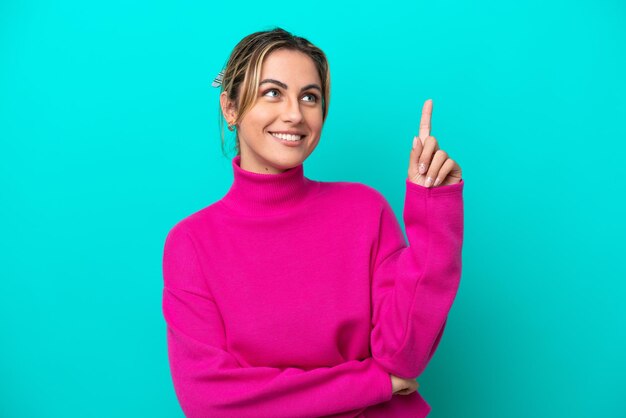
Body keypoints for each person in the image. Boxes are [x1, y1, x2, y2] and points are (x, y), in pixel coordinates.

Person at [161, 27, 464, 418]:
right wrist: (374, 384)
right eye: (273, 92)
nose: (295, 114)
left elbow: (403, 355)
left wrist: (433, 212)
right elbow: (210, 400)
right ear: (230, 109)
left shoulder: (364, 210)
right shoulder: (192, 243)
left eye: (310, 97)